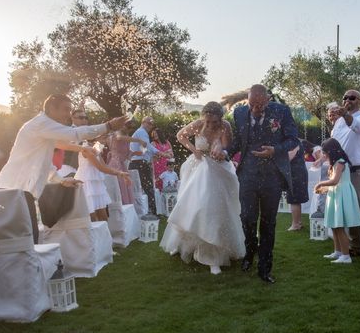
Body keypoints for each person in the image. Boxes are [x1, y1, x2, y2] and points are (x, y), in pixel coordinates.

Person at [0, 94, 127, 242]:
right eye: (66, 109)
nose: (68, 115)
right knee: (23, 240)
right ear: (52, 108)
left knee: (28, 239)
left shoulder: (45, 129)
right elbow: (74, 134)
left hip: (20, 191)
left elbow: (43, 162)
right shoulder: (41, 124)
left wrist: (59, 180)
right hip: (13, 190)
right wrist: (107, 126)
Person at [221, 84, 300, 283]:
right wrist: (225, 153)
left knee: (268, 222)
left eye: (259, 104)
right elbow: (239, 141)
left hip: (272, 175)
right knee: (247, 217)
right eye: (251, 104)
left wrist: (275, 149)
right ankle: (250, 251)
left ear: (267, 99)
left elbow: (293, 140)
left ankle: (265, 267)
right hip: (247, 174)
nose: (255, 108)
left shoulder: (281, 111)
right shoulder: (239, 113)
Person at [160, 102, 244, 275]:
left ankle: (215, 254)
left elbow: (228, 146)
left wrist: (221, 148)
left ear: (219, 118)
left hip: (219, 169)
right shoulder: (198, 124)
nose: (211, 124)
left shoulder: (225, 125)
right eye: (208, 120)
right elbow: (180, 135)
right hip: (198, 168)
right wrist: (193, 149)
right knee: (193, 207)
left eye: (214, 121)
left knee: (218, 209)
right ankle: (183, 244)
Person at [330, 90, 360, 257]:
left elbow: (358, 127)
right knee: (338, 207)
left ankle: (356, 245)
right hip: (339, 169)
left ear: (359, 101)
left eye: (352, 97)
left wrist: (345, 115)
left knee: (354, 207)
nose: (347, 100)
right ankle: (340, 247)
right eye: (345, 97)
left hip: (356, 170)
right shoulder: (339, 121)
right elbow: (335, 142)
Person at [315, 138, 360, 264]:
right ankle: (338, 251)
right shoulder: (334, 163)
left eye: (325, 152)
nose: (324, 155)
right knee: (335, 226)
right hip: (336, 193)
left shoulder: (341, 162)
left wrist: (320, 184)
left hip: (342, 194)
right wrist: (324, 188)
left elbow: (335, 181)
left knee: (340, 226)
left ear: (331, 151)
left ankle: (346, 256)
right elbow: (334, 183)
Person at [75, 140, 132, 221]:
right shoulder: (85, 148)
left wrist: (121, 173)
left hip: (96, 183)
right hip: (87, 183)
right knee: (92, 217)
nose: (106, 140)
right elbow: (101, 168)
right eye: (103, 136)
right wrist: (120, 173)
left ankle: (104, 233)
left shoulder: (95, 147)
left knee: (103, 216)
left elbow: (105, 166)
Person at [129, 116, 168, 214]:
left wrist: (153, 156)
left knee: (142, 189)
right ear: (144, 122)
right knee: (147, 188)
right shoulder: (142, 132)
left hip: (137, 163)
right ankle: (152, 213)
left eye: (152, 123)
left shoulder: (140, 133)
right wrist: (161, 153)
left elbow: (144, 150)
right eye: (150, 123)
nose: (151, 125)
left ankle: (146, 212)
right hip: (139, 163)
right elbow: (147, 145)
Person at [107, 122, 146, 205]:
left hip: (122, 163)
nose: (128, 130)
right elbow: (119, 137)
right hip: (115, 163)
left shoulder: (126, 137)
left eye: (130, 129)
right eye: (127, 127)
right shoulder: (117, 133)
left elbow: (125, 152)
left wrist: (134, 153)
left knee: (126, 184)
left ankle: (126, 205)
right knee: (120, 184)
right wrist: (139, 140)